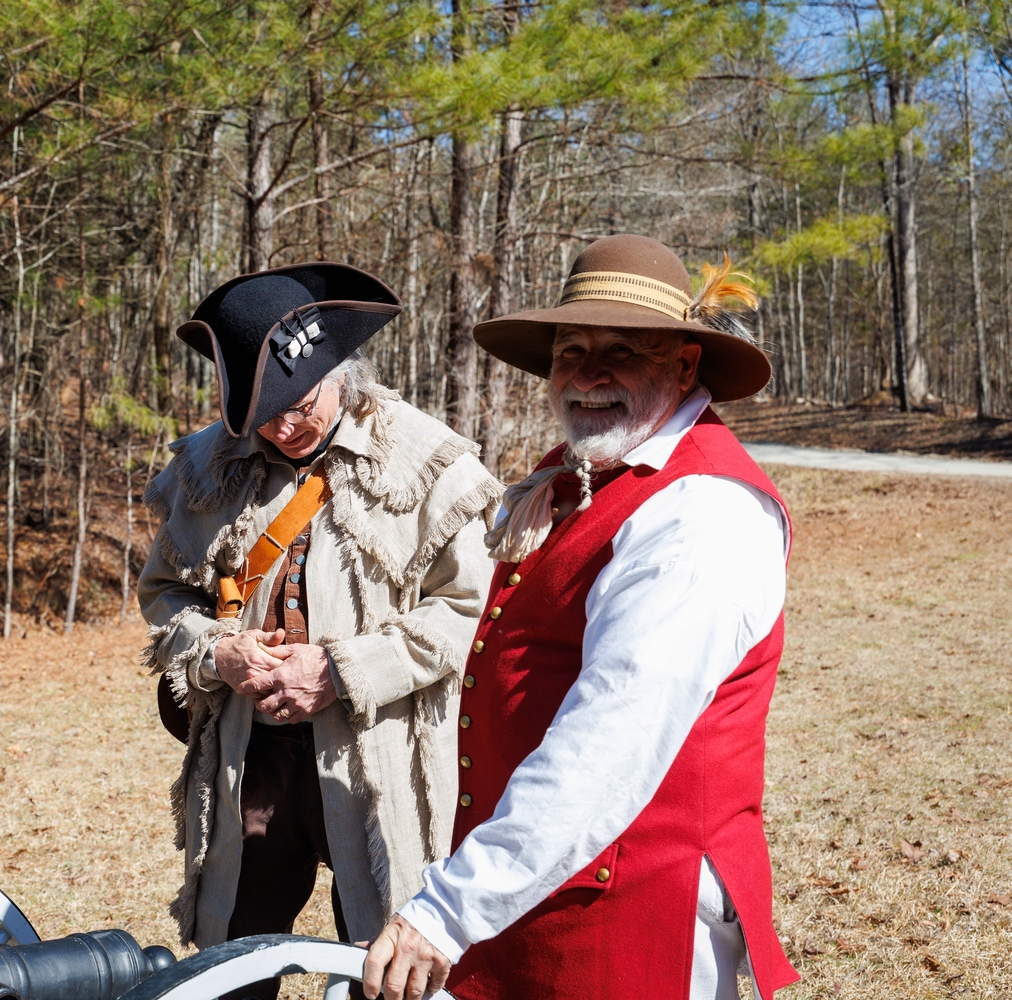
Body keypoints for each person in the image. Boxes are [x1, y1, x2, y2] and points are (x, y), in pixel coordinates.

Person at [362, 234, 802, 1000]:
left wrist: (449, 911)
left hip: (635, 917)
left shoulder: (702, 513)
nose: (588, 375)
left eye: (622, 351)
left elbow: (612, 738)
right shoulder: (583, 474)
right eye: (571, 351)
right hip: (544, 893)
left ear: (685, 365)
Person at [139, 262, 503, 999]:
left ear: (344, 373)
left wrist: (341, 670)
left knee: (387, 967)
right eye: (260, 415)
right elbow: (165, 593)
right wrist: (218, 651)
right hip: (252, 757)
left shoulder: (427, 460)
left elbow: (467, 610)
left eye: (299, 406)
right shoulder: (208, 465)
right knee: (230, 963)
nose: (282, 428)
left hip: (383, 752)